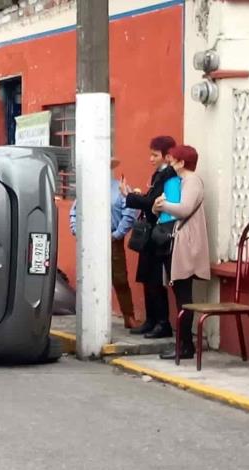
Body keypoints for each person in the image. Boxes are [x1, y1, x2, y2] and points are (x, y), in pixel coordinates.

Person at [152, 145, 210, 360]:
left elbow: (184, 209)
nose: (171, 163)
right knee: (180, 295)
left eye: (174, 160)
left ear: (182, 162)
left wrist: (164, 205)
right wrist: (159, 206)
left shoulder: (192, 181)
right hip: (181, 240)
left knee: (184, 296)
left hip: (187, 242)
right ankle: (184, 344)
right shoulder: (182, 182)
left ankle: (185, 346)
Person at [70, 158, 140, 329]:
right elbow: (75, 211)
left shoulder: (119, 188)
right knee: (89, 278)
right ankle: (90, 318)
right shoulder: (86, 189)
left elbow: (130, 212)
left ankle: (128, 316)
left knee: (120, 278)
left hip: (112, 238)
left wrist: (117, 234)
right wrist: (76, 230)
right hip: (90, 239)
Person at [120, 136, 177, 339]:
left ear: (167, 156)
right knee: (146, 276)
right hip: (151, 232)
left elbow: (153, 202)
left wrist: (130, 197)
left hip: (160, 232)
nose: (151, 158)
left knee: (155, 279)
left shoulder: (169, 177)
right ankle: (151, 320)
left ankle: (163, 322)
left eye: (155, 155)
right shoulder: (157, 176)